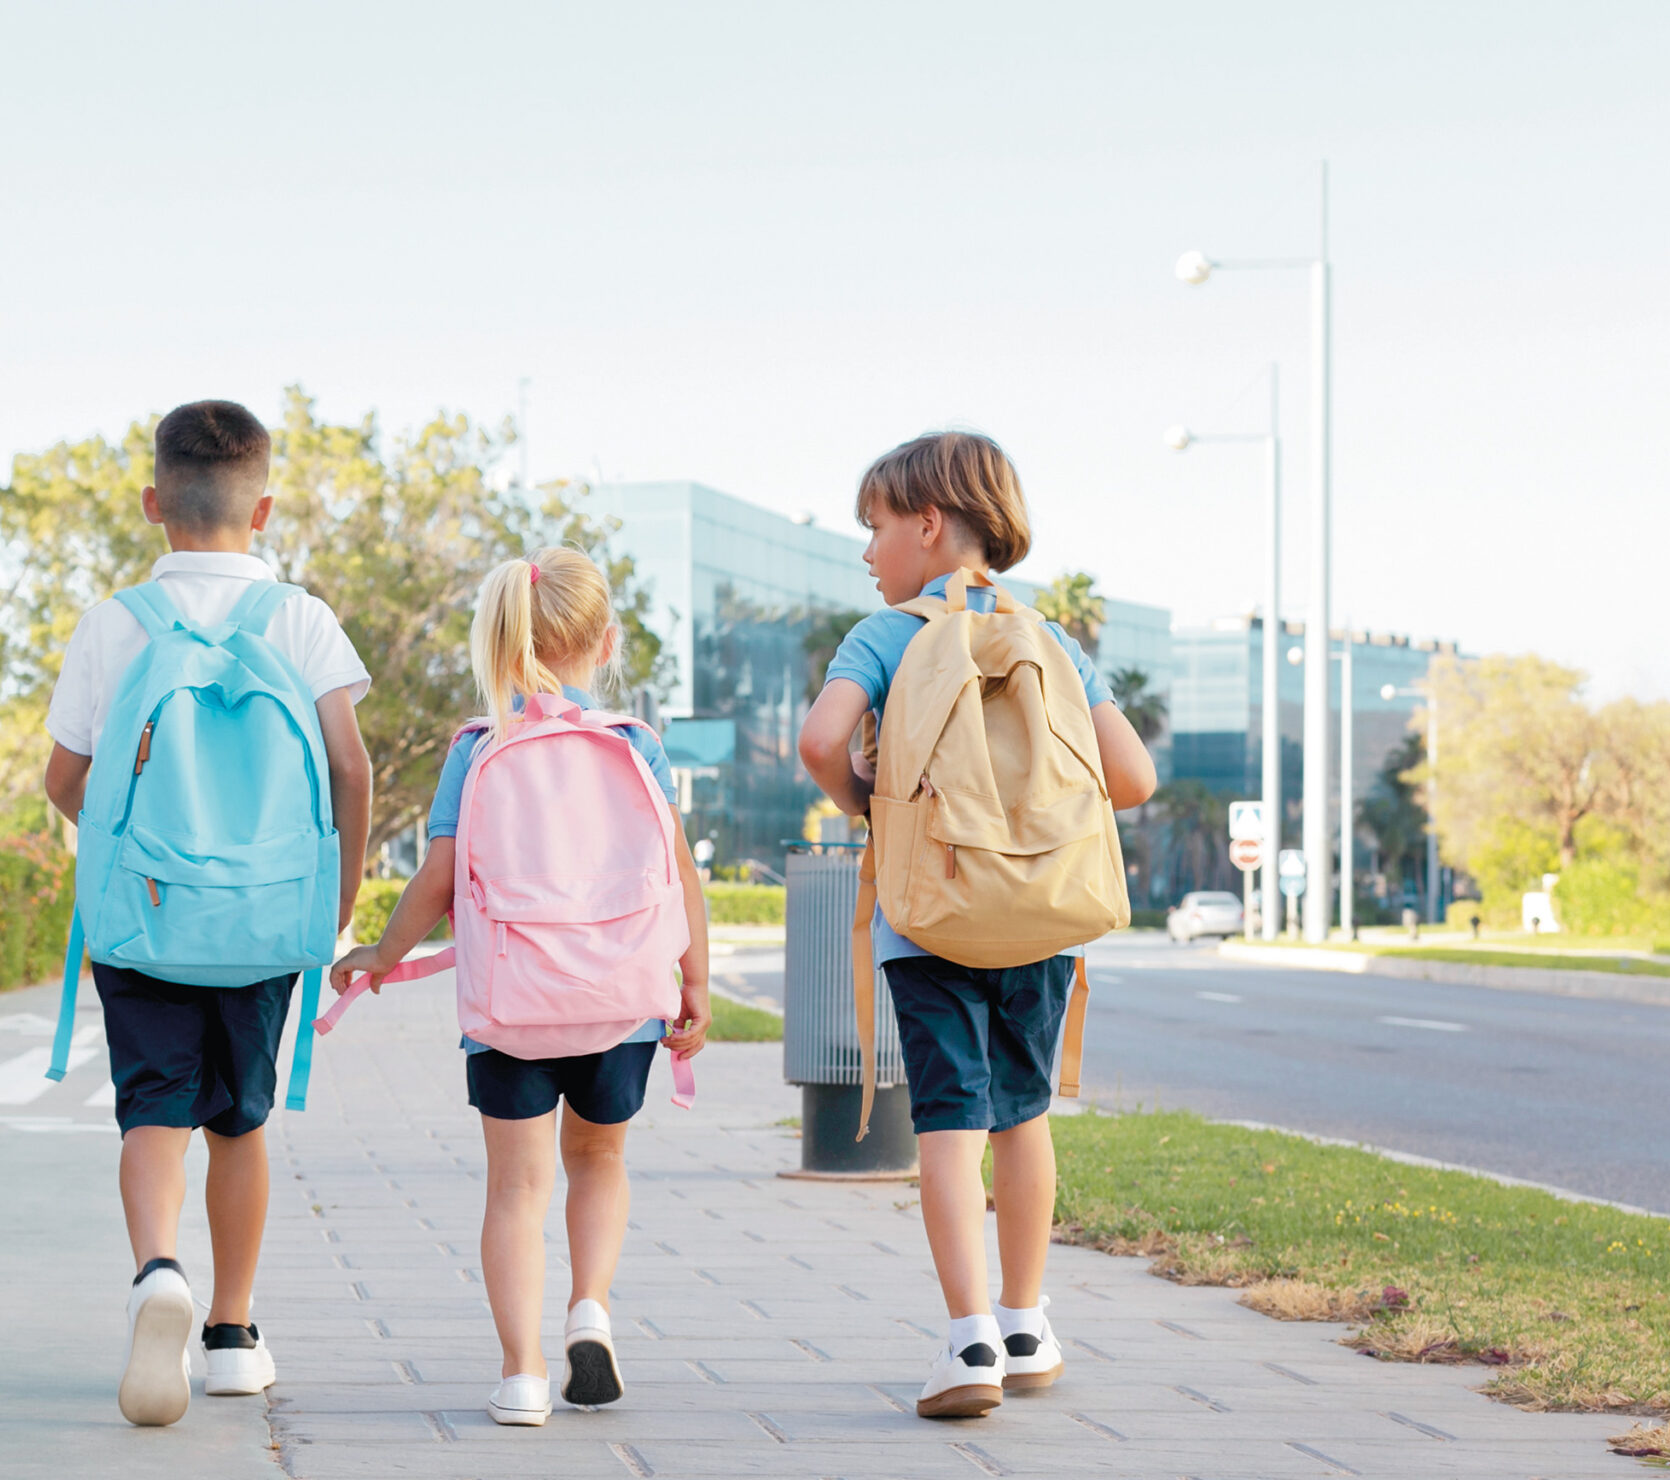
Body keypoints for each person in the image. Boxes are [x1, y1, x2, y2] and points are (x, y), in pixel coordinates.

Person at [796, 432, 1156, 1419]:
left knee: (948, 1125)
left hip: (931, 921)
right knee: (1024, 1116)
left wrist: (867, 801)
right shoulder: (1054, 640)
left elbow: (822, 739)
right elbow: (1133, 777)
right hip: (1041, 919)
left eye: (873, 528)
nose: (866, 553)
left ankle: (966, 1345)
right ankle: (1028, 1323)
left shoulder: (884, 636)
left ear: (927, 523)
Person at [43, 400, 373, 1427]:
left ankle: (156, 1275)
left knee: (153, 1110)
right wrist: (338, 893)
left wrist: (127, 840)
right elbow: (349, 768)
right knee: (241, 1120)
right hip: (268, 912)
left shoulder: (116, 623)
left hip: (144, 914)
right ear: (263, 507)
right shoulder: (301, 620)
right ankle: (231, 1334)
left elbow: (65, 778)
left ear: (153, 503)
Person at [333, 547, 711, 1429]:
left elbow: (437, 878)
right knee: (601, 1161)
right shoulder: (634, 744)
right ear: (606, 640)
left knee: (515, 1190)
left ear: (501, 644)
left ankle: (523, 1374)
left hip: (511, 1009)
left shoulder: (478, 748)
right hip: (620, 1001)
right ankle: (591, 1308)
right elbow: (680, 870)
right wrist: (691, 980)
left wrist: (381, 955)